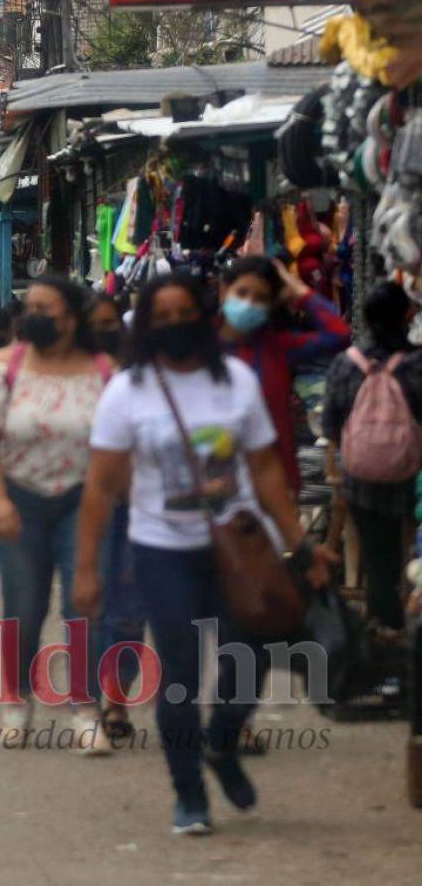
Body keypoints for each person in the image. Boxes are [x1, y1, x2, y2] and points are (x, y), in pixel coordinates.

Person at [73, 272, 335, 835]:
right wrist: (88, 567)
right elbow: (100, 485)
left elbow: (264, 468)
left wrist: (300, 542)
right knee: (180, 675)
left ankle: (221, 743)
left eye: (183, 314)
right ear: (145, 326)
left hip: (237, 547)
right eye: (161, 318)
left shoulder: (234, 381)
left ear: (204, 316)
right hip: (162, 548)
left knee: (252, 656)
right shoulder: (127, 391)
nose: (174, 326)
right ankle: (188, 791)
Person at [0, 275, 113, 754]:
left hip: (85, 503)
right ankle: (16, 697)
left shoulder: (104, 373)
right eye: (30, 307)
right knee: (24, 608)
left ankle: (85, 709)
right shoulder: (3, 371)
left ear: (72, 318)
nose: (34, 316)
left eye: (46, 308)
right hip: (21, 500)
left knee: (82, 605)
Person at [323, 282, 422, 633]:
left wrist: (337, 461)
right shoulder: (415, 365)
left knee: (378, 555)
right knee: (409, 552)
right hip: (410, 477)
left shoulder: (345, 365)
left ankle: (385, 626)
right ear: (406, 316)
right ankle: (405, 625)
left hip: (360, 474)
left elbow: (331, 423)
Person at [218, 255, 349, 490]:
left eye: (260, 298)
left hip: (274, 480)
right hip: (216, 483)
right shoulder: (198, 345)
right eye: (242, 293)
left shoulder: (278, 347)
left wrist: (298, 291)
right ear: (224, 291)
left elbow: (337, 334)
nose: (249, 303)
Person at [85, 293, 142, 739]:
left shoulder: (137, 380)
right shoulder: (66, 378)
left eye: (111, 323)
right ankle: (91, 699)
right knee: (92, 609)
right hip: (82, 509)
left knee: (127, 611)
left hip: (133, 509)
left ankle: (116, 699)